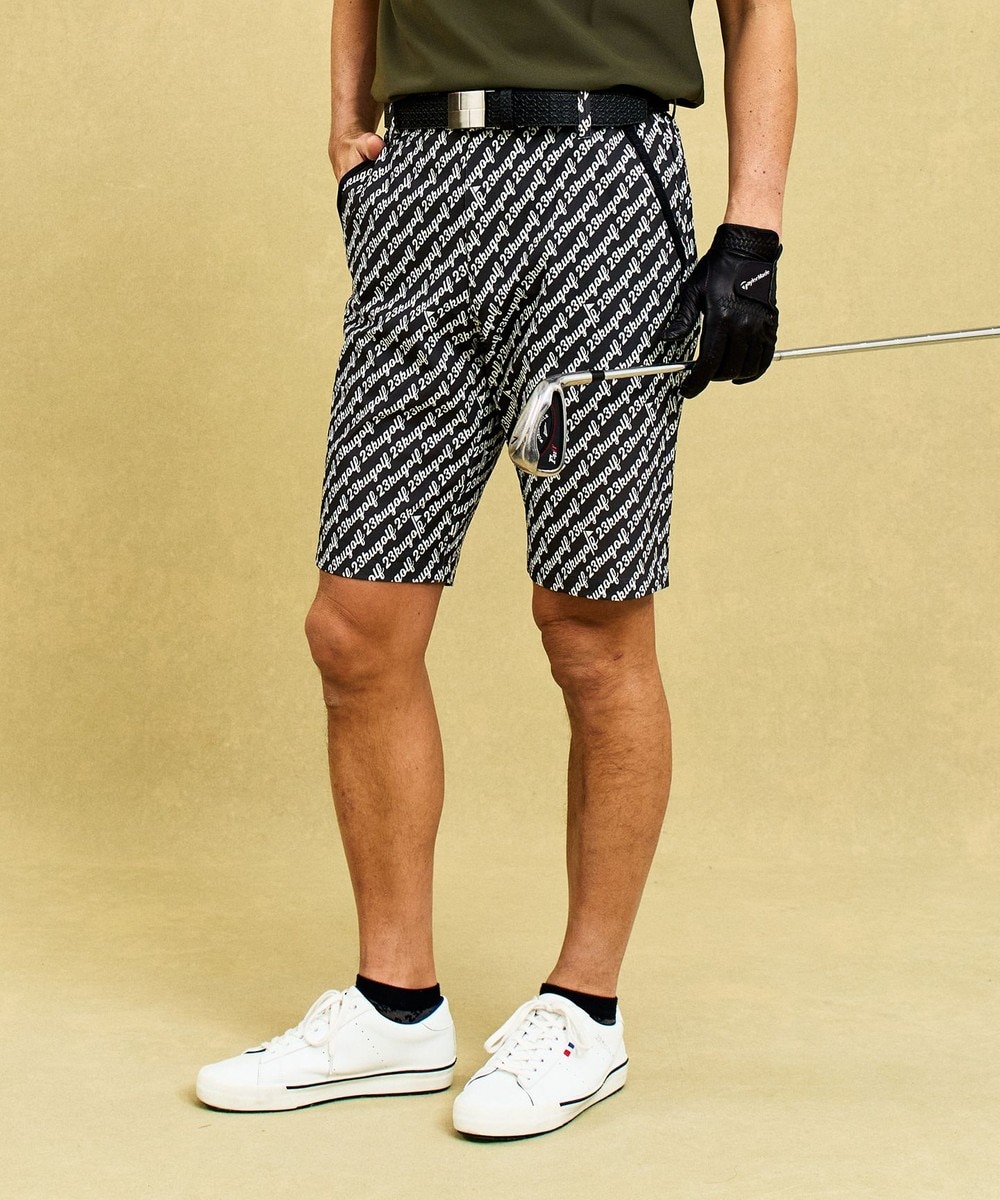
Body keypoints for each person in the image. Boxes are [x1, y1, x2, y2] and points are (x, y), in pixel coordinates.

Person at [197, 0, 797, 1140]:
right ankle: (395, 1007)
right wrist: (347, 126)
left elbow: (758, 9)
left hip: (599, 187)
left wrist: (751, 233)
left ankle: (584, 1010)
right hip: (419, 187)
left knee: (590, 625)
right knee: (355, 627)